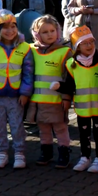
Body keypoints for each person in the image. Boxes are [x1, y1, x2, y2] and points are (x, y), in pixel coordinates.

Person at [0, 10, 34, 169]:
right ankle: (1, 153)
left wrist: (25, 93)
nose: (9, 31)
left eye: (13, 27)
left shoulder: (25, 48)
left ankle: (19, 153)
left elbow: (28, 73)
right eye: (5, 27)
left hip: (16, 96)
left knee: (17, 125)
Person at [50, 25, 98, 173]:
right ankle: (85, 157)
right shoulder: (71, 65)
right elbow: (69, 86)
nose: (89, 46)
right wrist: (59, 86)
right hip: (82, 108)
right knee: (84, 134)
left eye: (91, 42)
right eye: (84, 43)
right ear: (77, 47)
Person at [26, 15, 72, 169]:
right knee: (43, 128)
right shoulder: (30, 50)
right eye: (44, 32)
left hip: (57, 101)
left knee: (60, 128)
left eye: (52, 30)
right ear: (37, 34)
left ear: (58, 32)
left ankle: (64, 152)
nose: (49, 34)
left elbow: (69, 79)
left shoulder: (65, 52)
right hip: (38, 101)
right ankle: (46, 152)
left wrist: (67, 98)